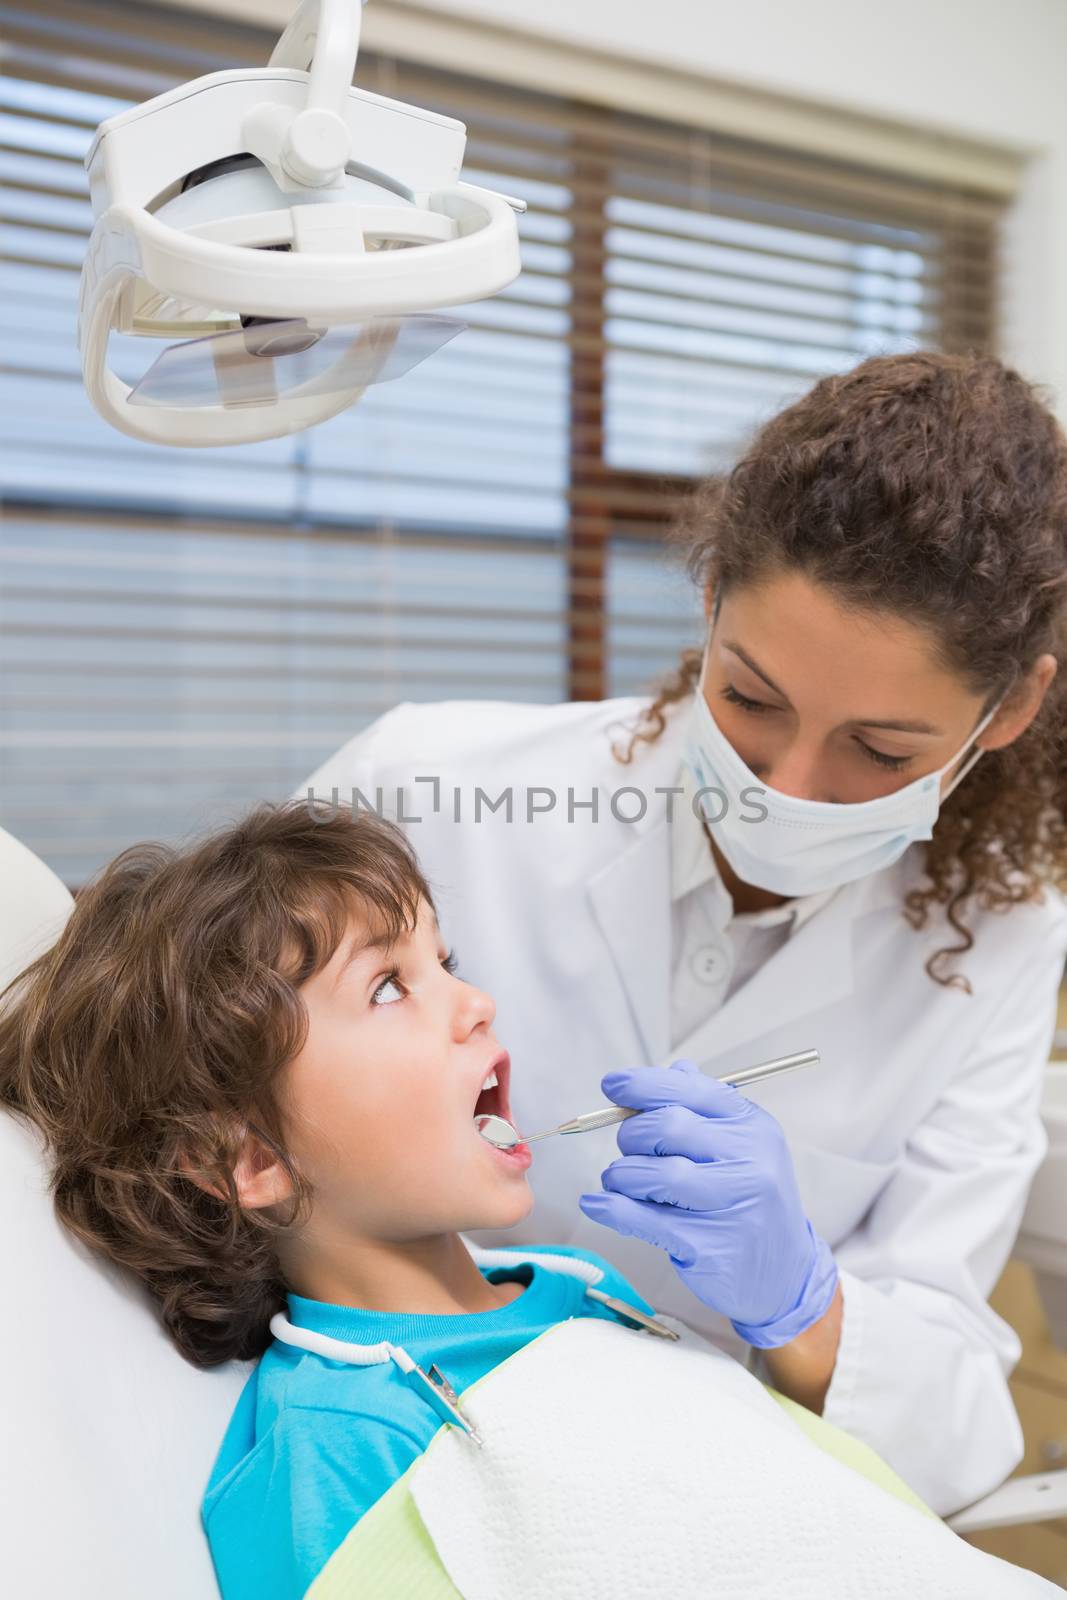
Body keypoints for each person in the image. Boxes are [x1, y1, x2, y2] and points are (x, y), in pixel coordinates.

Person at [296, 350, 1067, 1515]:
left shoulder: (998, 941)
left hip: (694, 1503)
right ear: (707, 598)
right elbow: (180, 1070)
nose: (789, 785)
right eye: (750, 698)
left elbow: (954, 1416)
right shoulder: (424, 785)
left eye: (879, 750)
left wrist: (804, 1303)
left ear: (1004, 711)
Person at [0, 800, 954, 1600]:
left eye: (445, 961)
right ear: (251, 1159)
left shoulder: (572, 1285)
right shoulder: (330, 1459)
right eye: (386, 987)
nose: (475, 1001)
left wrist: (796, 1304)